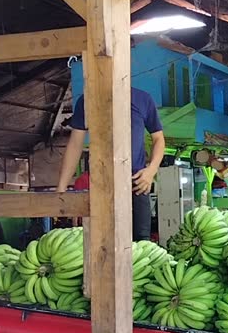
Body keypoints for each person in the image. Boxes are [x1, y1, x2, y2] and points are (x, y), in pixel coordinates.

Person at [56, 87, 166, 241]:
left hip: (136, 182)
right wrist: (61, 188)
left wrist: (151, 170)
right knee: (102, 241)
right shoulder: (87, 100)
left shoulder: (143, 98)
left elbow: (159, 139)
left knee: (141, 243)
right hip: (101, 182)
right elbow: (75, 144)